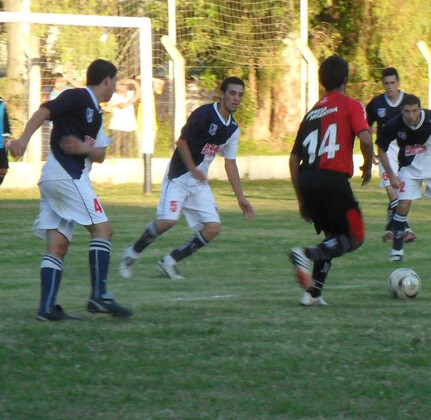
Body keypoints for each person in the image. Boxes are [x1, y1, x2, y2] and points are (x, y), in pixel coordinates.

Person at [9, 59, 132, 321]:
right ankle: (98, 296)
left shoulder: (96, 113)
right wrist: (23, 139)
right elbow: (44, 111)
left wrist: (84, 149)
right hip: (66, 176)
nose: (114, 88)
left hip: (55, 178)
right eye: (114, 81)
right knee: (103, 230)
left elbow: (100, 153)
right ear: (107, 80)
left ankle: (46, 309)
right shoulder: (77, 96)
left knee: (57, 245)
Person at [118, 76, 254, 280]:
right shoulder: (204, 114)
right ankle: (132, 253)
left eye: (240, 95)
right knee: (167, 221)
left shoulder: (232, 129)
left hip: (198, 184)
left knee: (213, 228)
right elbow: (181, 142)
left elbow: (230, 163)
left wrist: (241, 198)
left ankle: (169, 262)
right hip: (179, 177)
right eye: (232, 93)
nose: (236, 98)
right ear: (222, 93)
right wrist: (193, 168)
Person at [288, 55, 375, 306]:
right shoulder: (351, 105)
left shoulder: (312, 113)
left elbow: (293, 160)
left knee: (333, 237)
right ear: (346, 79)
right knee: (355, 236)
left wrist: (302, 200)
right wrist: (367, 167)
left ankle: (313, 293)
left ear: (322, 81)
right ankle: (304, 254)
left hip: (307, 178)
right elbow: (366, 140)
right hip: (332, 180)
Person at [376, 94, 431, 262]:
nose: (411, 115)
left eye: (415, 111)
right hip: (409, 169)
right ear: (402, 111)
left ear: (420, 109)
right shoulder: (395, 124)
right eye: (407, 111)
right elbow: (381, 150)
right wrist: (392, 175)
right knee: (403, 206)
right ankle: (397, 251)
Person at [366, 67, 417, 243]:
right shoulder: (376, 104)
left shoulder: (408, 103)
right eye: (386, 83)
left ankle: (390, 229)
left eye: (393, 83)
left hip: (404, 152)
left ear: (398, 83)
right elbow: (365, 127)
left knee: (403, 192)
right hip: (384, 152)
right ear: (383, 84)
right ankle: (406, 230)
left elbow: (418, 125)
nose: (390, 86)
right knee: (392, 191)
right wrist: (369, 151)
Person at [105, 78, 140, 157]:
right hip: (117, 127)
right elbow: (122, 106)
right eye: (122, 85)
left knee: (126, 151)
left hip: (127, 127)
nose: (125, 87)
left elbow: (139, 93)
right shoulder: (114, 96)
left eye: (126, 85)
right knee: (114, 150)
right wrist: (121, 81)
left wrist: (134, 82)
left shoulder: (130, 94)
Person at [0, 96, 12, 186]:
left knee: (3, 169)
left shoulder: (1, 102)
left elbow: (5, 120)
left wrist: (7, 135)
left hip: (0, 143)